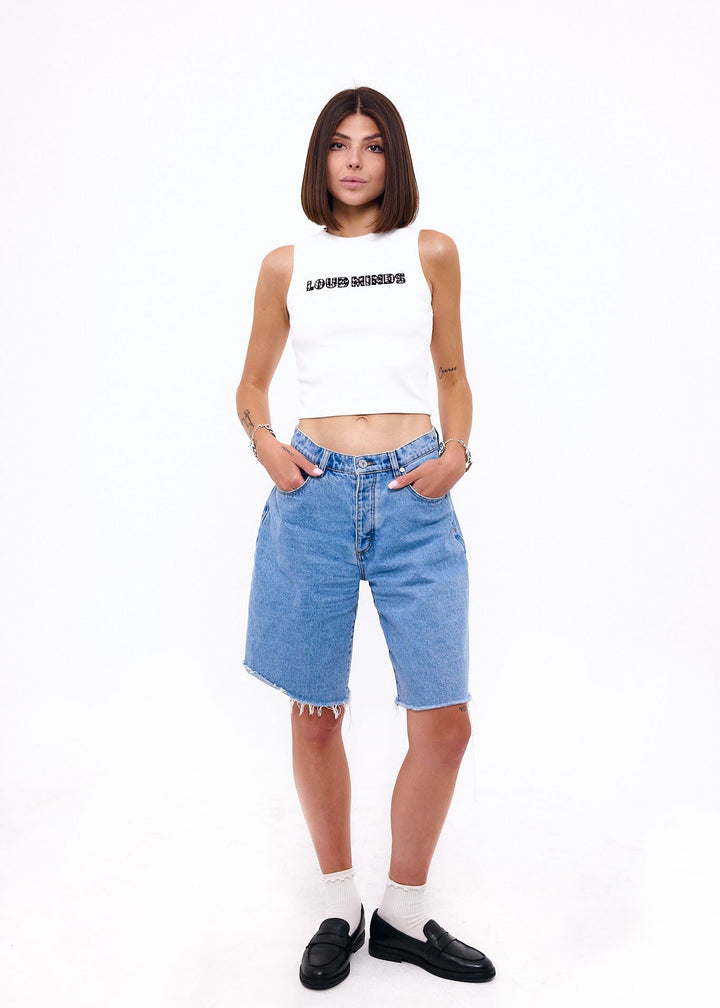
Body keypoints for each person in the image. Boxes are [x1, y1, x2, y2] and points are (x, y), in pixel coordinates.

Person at [236, 86, 495, 990]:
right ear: (321, 159)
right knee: (315, 715)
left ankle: (404, 917)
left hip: (413, 494)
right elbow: (251, 385)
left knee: (445, 724)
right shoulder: (284, 264)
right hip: (311, 497)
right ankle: (338, 905)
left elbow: (454, 371)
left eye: (373, 145)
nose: (354, 159)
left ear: (395, 160)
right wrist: (265, 444)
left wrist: (457, 451)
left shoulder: (431, 252)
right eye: (340, 144)